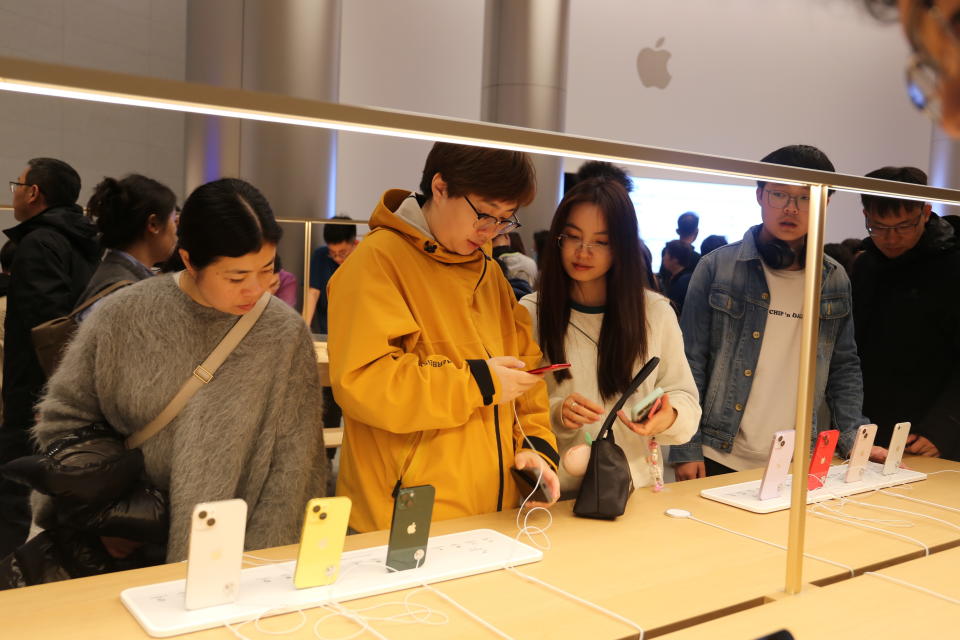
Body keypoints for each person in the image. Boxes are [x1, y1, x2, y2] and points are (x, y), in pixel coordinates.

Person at [30, 177, 327, 563]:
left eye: (266, 269)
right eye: (236, 276)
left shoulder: (283, 332)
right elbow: (65, 419)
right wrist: (106, 515)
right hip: (122, 547)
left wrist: (262, 563)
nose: (255, 290)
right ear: (189, 260)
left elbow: (296, 463)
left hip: (235, 553)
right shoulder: (124, 316)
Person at [327, 142, 560, 533]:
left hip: (493, 518)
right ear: (440, 186)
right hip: (399, 520)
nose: (490, 231)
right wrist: (478, 382)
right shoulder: (377, 263)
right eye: (485, 214)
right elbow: (365, 383)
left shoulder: (491, 277)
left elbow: (527, 380)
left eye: (505, 220)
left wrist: (535, 451)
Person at [670, 144, 882, 479]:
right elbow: (689, 360)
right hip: (718, 450)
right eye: (779, 195)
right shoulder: (718, 267)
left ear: (824, 203)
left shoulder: (833, 277)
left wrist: (854, 435)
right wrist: (687, 446)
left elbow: (843, 366)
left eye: (805, 198)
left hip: (800, 457)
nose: (791, 209)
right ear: (759, 195)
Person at [519, 178, 700, 495]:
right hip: (553, 494)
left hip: (632, 491)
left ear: (622, 247)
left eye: (600, 242)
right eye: (572, 237)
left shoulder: (655, 313)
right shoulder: (531, 312)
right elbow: (512, 409)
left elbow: (685, 400)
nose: (583, 252)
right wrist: (556, 411)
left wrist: (667, 416)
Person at [1, 158, 98, 557]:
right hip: (71, 392)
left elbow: (47, 325)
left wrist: (55, 393)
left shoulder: (39, 242)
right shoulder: (87, 241)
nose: (15, 192)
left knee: (12, 492)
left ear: (34, 193)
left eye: (17, 184)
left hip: (36, 394)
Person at [853, 166, 960, 461]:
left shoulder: (953, 267)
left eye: (903, 226)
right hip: (870, 431)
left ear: (925, 213)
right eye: (880, 227)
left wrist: (944, 429)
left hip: (931, 438)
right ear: (866, 217)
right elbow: (853, 355)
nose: (891, 238)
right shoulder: (864, 267)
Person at [76, 174, 178, 316]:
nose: (176, 231)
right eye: (173, 220)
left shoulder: (122, 278)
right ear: (153, 224)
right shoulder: (121, 294)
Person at [304, 216, 358, 334]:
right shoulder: (320, 256)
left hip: (357, 330)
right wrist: (304, 328)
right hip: (328, 331)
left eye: (343, 253)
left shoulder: (363, 256)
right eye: (332, 253)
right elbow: (313, 293)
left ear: (354, 243)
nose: (337, 258)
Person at [661, 240, 697, 315]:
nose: (663, 258)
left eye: (666, 254)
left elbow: (673, 310)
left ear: (675, 260)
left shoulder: (682, 283)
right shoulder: (687, 278)